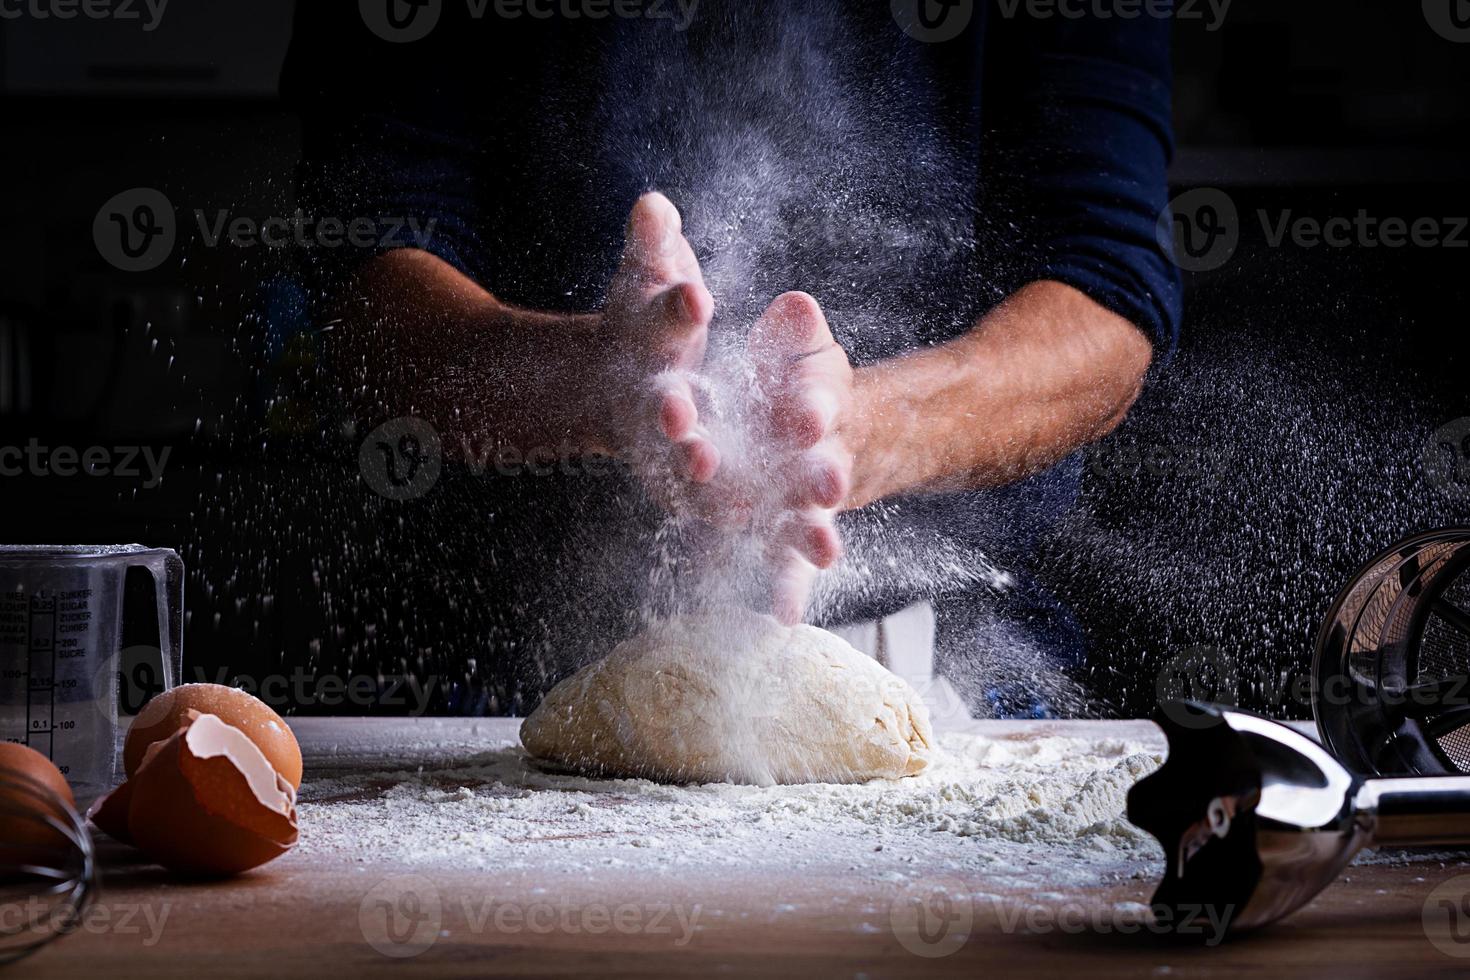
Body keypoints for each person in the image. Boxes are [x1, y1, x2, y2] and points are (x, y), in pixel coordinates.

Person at [280, 0, 1181, 715]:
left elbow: (1105, 293)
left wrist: (859, 433)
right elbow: (366, 282)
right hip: (494, 681)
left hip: (940, 677)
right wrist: (595, 385)